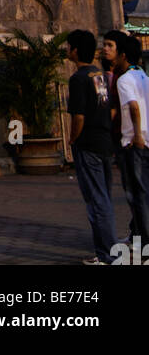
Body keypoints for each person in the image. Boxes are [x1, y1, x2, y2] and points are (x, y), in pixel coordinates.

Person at [66, 28, 117, 265]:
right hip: (104, 141)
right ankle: (106, 250)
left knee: (97, 200)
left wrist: (72, 138)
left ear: (75, 51)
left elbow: (79, 117)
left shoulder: (77, 79)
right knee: (103, 197)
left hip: (88, 144)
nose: (67, 50)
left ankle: (106, 253)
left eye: (69, 47)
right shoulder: (99, 75)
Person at [111, 34, 149, 243]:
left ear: (123, 55)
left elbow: (133, 107)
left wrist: (136, 135)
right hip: (144, 139)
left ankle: (144, 239)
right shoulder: (144, 77)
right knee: (143, 192)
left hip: (134, 142)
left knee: (137, 194)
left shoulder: (125, 80)